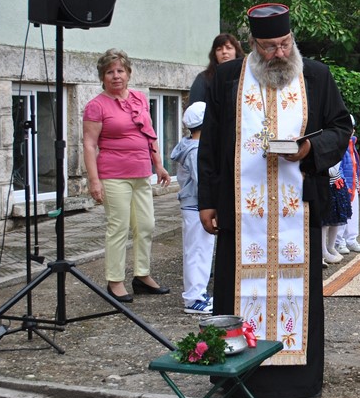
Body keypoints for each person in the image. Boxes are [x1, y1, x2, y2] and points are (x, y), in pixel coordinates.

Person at [198, 3, 351, 398]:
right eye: (269, 47)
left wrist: (310, 149)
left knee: (297, 293)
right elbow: (210, 142)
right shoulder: (228, 78)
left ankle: (300, 381)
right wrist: (206, 201)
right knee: (236, 289)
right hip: (240, 209)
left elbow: (340, 127)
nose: (279, 53)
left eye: (285, 43)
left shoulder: (316, 75)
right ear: (253, 43)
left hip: (298, 208)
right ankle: (239, 380)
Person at [82, 48, 172, 303]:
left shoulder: (139, 98)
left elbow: (149, 133)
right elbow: (89, 144)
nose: (116, 76)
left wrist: (159, 164)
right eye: (110, 72)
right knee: (118, 227)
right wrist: (94, 180)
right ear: (102, 77)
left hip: (141, 173)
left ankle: (142, 275)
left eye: (120, 70)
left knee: (145, 225)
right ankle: (115, 281)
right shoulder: (96, 106)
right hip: (113, 175)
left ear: (129, 73)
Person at [170, 101, 215, 314]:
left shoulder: (189, 145)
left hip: (195, 206)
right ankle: (194, 298)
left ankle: (199, 292)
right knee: (197, 252)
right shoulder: (197, 151)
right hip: (197, 206)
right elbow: (202, 182)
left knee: (201, 251)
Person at [335, 115, 360, 255]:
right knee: (342, 215)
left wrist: (358, 182)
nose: (351, 130)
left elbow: (355, 166)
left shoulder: (352, 144)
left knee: (353, 214)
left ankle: (351, 239)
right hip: (343, 186)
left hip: (352, 185)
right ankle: (339, 242)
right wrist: (343, 185)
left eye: (352, 127)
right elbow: (338, 167)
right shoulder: (339, 146)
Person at [188, 33, 244, 106]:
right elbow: (195, 107)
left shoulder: (245, 77)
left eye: (228, 48)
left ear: (236, 52)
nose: (224, 52)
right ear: (214, 54)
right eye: (219, 49)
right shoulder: (204, 78)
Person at [320, 160, 351, 266]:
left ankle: (330, 247)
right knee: (324, 221)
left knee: (335, 219)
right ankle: (323, 251)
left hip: (333, 185)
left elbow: (332, 171)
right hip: (324, 185)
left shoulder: (336, 152)